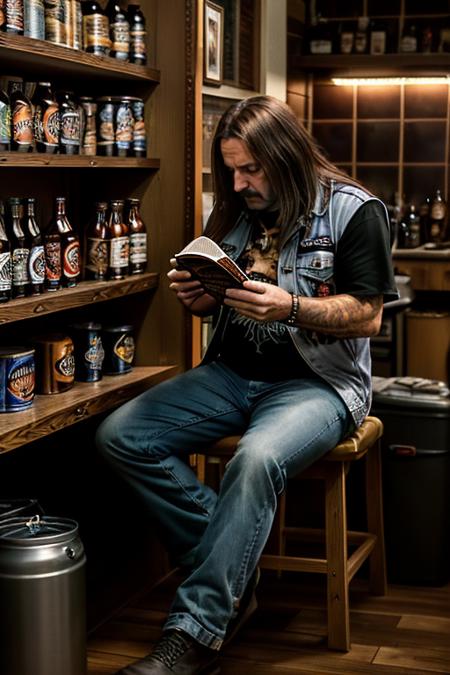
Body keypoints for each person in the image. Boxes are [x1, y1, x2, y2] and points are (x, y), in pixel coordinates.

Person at [96, 95, 398, 675]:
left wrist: (290, 307)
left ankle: (195, 635)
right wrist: (200, 299)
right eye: (231, 169)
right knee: (120, 434)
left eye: (251, 168)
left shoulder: (356, 211)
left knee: (256, 458)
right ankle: (234, 565)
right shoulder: (233, 209)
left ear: (286, 156)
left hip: (319, 385)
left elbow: (367, 316)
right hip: (229, 375)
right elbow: (217, 296)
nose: (238, 183)